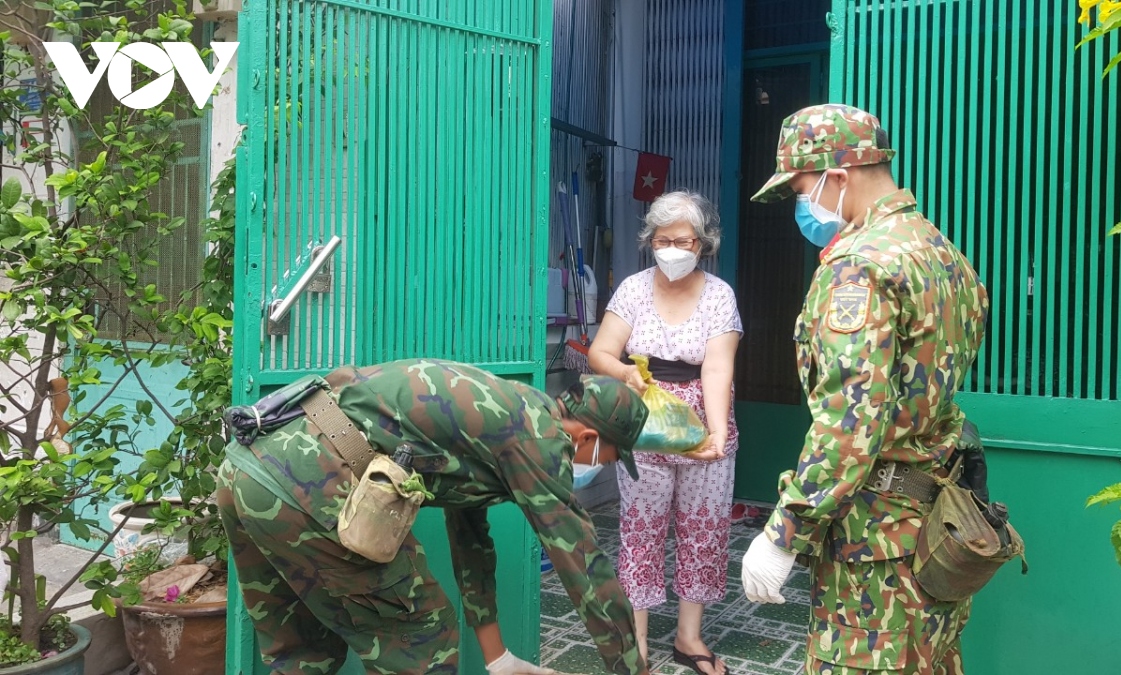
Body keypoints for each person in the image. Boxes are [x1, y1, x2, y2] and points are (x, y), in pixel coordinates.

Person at [739, 104, 989, 674]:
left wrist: (784, 533)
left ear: (838, 176)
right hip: (935, 525)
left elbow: (850, 422)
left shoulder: (858, 267)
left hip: (875, 542)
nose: (802, 206)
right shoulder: (941, 252)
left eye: (802, 188)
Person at [215, 358, 652, 675]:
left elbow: (471, 539)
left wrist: (498, 659)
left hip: (247, 468)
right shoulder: (543, 440)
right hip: (309, 475)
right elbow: (584, 566)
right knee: (425, 634)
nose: (606, 464)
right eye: (613, 457)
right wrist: (633, 669)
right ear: (590, 436)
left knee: (306, 653)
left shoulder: (519, 410)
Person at [589, 191, 742, 675]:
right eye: (662, 239)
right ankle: (637, 639)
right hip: (644, 424)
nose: (672, 248)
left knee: (704, 528)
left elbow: (718, 369)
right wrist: (626, 374)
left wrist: (715, 436)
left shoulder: (719, 295)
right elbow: (600, 353)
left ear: (702, 243)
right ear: (650, 241)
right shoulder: (633, 289)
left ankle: (688, 635)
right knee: (641, 528)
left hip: (701, 421)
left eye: (683, 239)